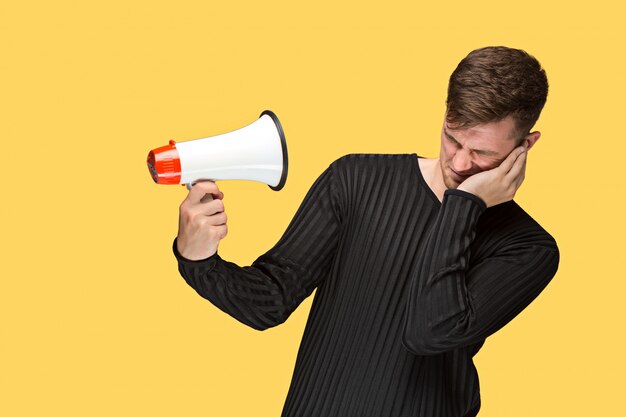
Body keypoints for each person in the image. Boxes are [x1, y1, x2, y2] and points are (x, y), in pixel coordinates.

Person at [172, 46, 560, 417]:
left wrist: (464, 205)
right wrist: (198, 259)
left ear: (525, 146)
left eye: (482, 154)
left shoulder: (527, 248)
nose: (459, 162)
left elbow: (429, 332)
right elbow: (268, 302)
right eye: (452, 138)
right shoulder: (356, 179)